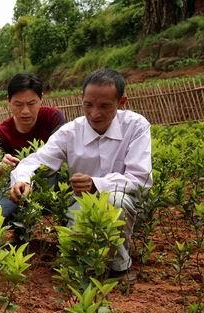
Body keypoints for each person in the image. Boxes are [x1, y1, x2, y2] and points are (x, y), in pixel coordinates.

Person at [9, 68, 152, 279]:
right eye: (88, 105)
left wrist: (97, 184)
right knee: (77, 258)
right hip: (80, 204)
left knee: (115, 200)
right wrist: (23, 179)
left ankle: (119, 267)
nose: (95, 113)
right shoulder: (70, 132)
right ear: (81, 100)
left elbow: (140, 179)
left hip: (127, 207)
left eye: (105, 106)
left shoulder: (136, 127)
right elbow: (36, 160)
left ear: (121, 103)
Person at [0, 73, 65, 217]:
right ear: (9, 101)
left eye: (31, 103)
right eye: (18, 104)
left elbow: (64, 153)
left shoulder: (53, 118)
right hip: (16, 186)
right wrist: (1, 167)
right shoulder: (1, 133)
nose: (25, 111)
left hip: (50, 180)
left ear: (41, 99)